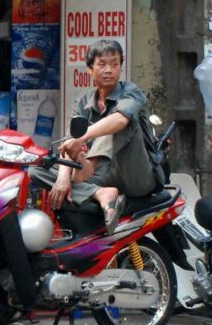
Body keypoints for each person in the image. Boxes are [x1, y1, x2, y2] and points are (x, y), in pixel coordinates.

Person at [53, 39, 163, 235]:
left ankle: (87, 168)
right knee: (37, 171)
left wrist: (82, 138)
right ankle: (100, 193)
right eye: (102, 64)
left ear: (121, 67)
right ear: (90, 69)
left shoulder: (131, 92)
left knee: (122, 121)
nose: (109, 70)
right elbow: (69, 142)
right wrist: (62, 177)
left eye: (114, 64)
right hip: (102, 178)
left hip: (136, 175)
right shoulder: (83, 102)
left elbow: (120, 120)